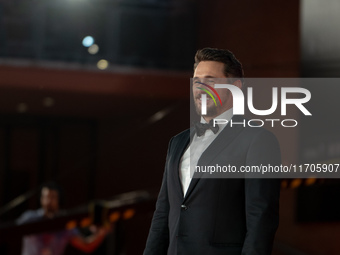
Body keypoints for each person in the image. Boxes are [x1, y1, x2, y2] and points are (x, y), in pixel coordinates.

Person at [144, 48, 281, 255]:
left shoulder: (258, 140)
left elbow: (261, 219)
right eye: (197, 80)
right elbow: (163, 214)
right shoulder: (177, 142)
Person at [17, 182, 110, 255]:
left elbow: (86, 245)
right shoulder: (29, 218)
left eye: (53, 197)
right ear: (41, 199)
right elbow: (12, 235)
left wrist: (102, 232)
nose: (49, 201)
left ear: (59, 200)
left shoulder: (64, 224)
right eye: (46, 197)